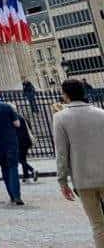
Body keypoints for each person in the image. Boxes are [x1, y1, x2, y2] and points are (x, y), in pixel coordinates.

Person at [53, 78, 104, 247]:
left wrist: (62, 181)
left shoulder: (60, 118)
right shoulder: (101, 114)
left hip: (82, 179)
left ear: (66, 95)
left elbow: (61, 153)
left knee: (97, 225)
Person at [16, 112, 38, 182]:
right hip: (26, 140)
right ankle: (26, 176)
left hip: (20, 141)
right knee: (23, 159)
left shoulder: (15, 119)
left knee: (19, 158)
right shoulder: (23, 118)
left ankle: (32, 170)